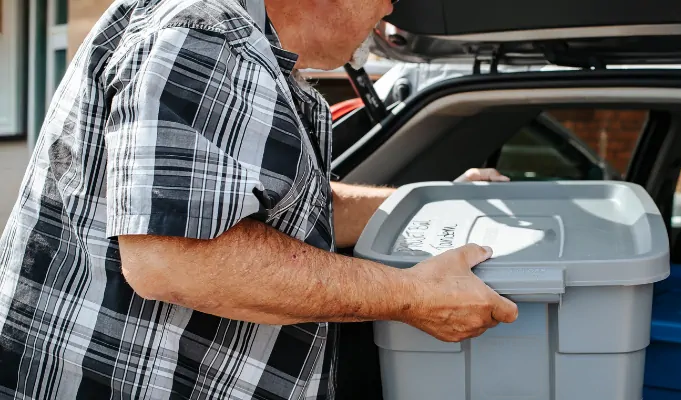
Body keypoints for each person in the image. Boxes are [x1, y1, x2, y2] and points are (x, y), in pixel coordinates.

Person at [0, 0, 519, 398]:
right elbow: (175, 259)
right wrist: (411, 296)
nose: (389, 8)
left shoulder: (231, 41)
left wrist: (430, 203)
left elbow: (287, 209)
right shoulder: (205, 37)